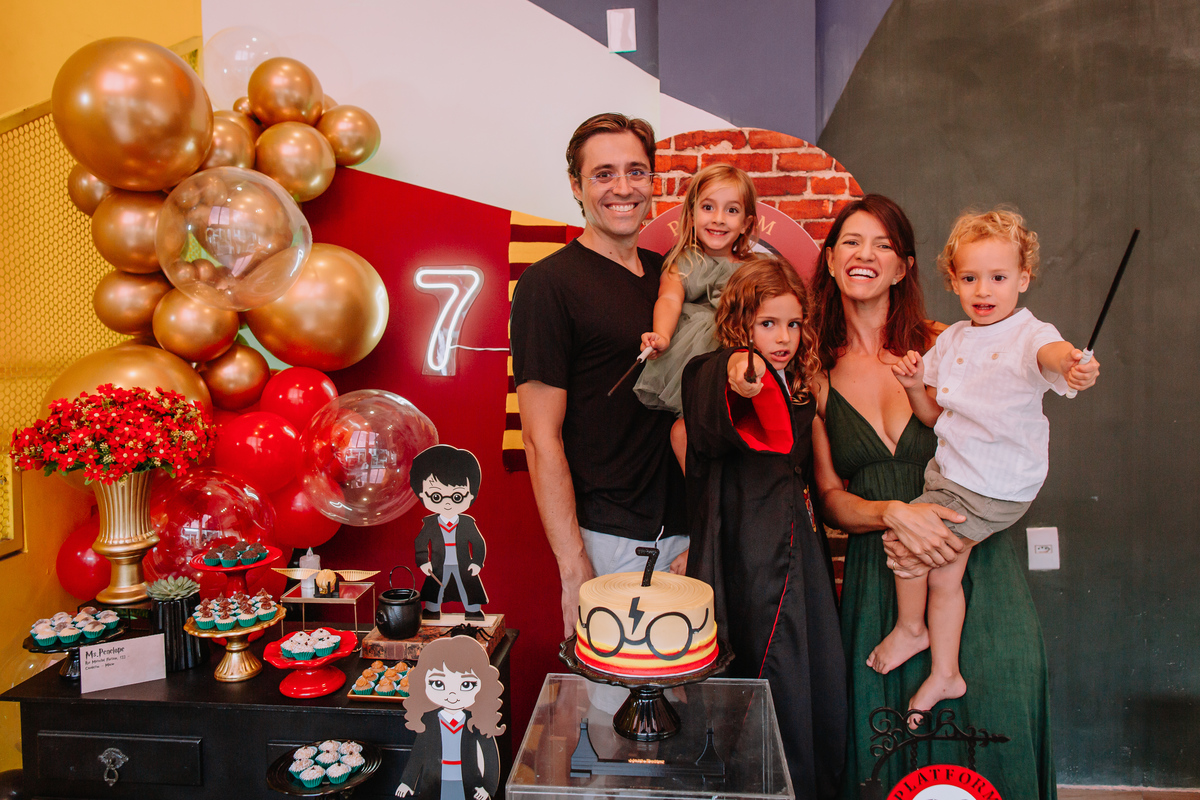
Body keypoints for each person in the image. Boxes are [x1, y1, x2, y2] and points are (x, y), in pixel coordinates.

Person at [807, 195, 1059, 799]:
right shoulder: (815, 373)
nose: (865, 255)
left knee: (994, 730)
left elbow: (1013, 427)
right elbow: (829, 498)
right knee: (884, 756)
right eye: (851, 242)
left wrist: (1066, 363)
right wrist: (894, 513)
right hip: (884, 574)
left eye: (883, 245)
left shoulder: (952, 344)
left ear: (904, 267)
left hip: (974, 560)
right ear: (831, 259)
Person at [873, 209, 1100, 718]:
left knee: (906, 545)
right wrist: (912, 385)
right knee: (943, 576)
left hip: (994, 485)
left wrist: (1071, 364)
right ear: (953, 281)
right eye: (970, 278)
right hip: (953, 474)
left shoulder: (1029, 333)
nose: (984, 290)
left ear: (1023, 279)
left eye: (998, 277)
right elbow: (933, 415)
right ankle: (946, 674)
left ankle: (911, 630)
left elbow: (1052, 354)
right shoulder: (953, 339)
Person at [510, 113, 687, 639]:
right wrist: (573, 565)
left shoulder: (671, 278)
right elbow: (540, 439)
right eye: (604, 174)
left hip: (689, 537)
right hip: (609, 539)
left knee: (692, 685)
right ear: (576, 185)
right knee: (614, 689)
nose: (623, 188)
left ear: (652, 182)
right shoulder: (548, 285)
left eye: (636, 171)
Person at [682, 255, 845, 799]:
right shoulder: (715, 369)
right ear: (740, 324)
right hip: (745, 550)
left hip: (799, 545)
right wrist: (741, 373)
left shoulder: (800, 385)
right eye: (768, 323)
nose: (783, 338)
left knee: (807, 671)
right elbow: (727, 380)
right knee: (761, 666)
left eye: (793, 324)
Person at [635, 164, 759, 467]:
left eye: (731, 210)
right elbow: (669, 299)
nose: (718, 218)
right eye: (708, 207)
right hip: (696, 356)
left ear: (746, 223)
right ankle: (702, 486)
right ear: (691, 215)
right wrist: (662, 335)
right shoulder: (683, 262)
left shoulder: (753, 269)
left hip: (737, 352)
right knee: (689, 426)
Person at [395, 636, 505, 800]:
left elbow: (489, 754)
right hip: (434, 782)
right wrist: (408, 782)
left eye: (466, 685)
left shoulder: (476, 720)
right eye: (438, 684)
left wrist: (488, 787)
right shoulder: (428, 720)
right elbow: (418, 751)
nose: (452, 695)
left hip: (468, 783)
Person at [410, 445, 489, 622]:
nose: (447, 503)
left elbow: (478, 543)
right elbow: (420, 542)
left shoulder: (467, 522)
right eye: (436, 496)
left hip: (463, 563)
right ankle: (432, 610)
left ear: (470, 496)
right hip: (438, 563)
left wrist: (477, 562)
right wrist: (423, 561)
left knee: (467, 585)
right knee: (436, 586)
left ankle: (473, 610)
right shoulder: (430, 523)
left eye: (457, 497)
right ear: (422, 494)